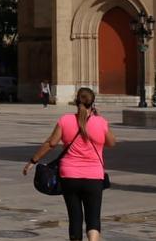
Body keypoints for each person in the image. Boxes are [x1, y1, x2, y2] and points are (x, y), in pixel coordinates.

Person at [22, 88, 115, 241]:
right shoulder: (101, 122)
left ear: (76, 101)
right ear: (93, 103)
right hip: (94, 176)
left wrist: (33, 161)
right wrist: (98, 120)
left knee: (75, 218)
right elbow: (111, 143)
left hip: (69, 176)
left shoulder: (65, 120)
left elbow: (51, 143)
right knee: (93, 219)